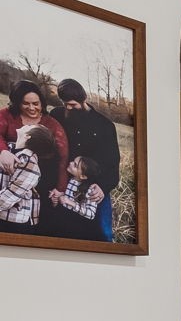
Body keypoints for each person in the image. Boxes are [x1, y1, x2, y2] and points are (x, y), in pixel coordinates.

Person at [54, 79, 118, 215]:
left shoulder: (105, 125)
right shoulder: (57, 115)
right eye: (65, 104)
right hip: (63, 181)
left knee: (103, 232)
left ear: (84, 99)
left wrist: (103, 186)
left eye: (72, 104)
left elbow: (112, 162)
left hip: (93, 185)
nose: (69, 108)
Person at [2, 82, 66, 210]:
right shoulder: (6, 115)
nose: (31, 108)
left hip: (36, 180)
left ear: (42, 103)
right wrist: (3, 151)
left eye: (36, 104)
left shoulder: (52, 124)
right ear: (17, 102)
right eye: (26, 103)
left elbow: (63, 157)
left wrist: (60, 188)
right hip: (5, 176)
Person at [44, 154, 107, 240]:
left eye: (75, 165)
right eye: (73, 161)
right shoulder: (70, 181)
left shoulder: (90, 190)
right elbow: (66, 199)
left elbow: (91, 214)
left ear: (83, 176)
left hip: (77, 226)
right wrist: (58, 198)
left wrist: (70, 203)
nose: (70, 163)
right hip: (64, 220)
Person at [0, 144, 38, 229]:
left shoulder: (27, 160)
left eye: (22, 129)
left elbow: (12, 194)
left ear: (27, 136)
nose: (17, 130)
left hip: (11, 219)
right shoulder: (8, 148)